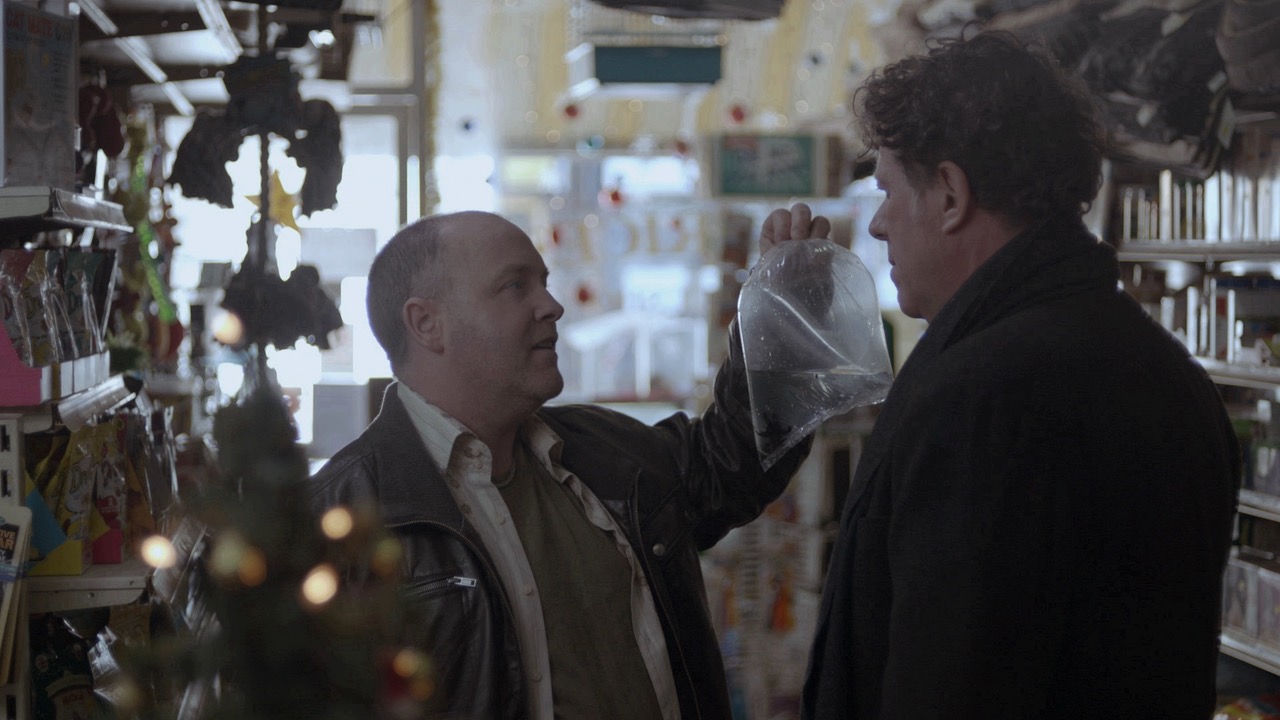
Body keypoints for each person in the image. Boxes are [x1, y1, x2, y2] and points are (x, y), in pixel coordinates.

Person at [789, 31, 1241, 720]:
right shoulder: (1166, 368)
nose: (878, 224)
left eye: (887, 190)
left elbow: (951, 685)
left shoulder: (980, 401)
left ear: (950, 194)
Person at [307, 207, 819, 719]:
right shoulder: (336, 525)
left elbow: (732, 461)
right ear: (427, 324)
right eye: (515, 286)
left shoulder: (605, 451)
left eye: (545, 283)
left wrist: (782, 310)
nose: (552, 306)